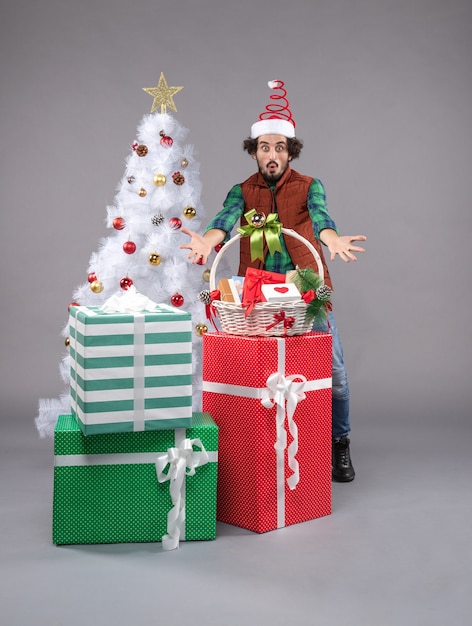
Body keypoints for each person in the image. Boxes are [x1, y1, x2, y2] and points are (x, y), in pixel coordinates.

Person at [180, 80, 366, 482]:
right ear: (254, 152)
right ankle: (261, 452)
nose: (272, 154)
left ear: (289, 152)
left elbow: (321, 217)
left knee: (334, 374)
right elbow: (223, 222)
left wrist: (330, 239)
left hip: (306, 288)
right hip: (257, 291)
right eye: (265, 147)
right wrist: (207, 242)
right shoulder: (242, 190)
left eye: (280, 147)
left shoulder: (308, 185)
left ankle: (340, 442)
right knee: (258, 373)